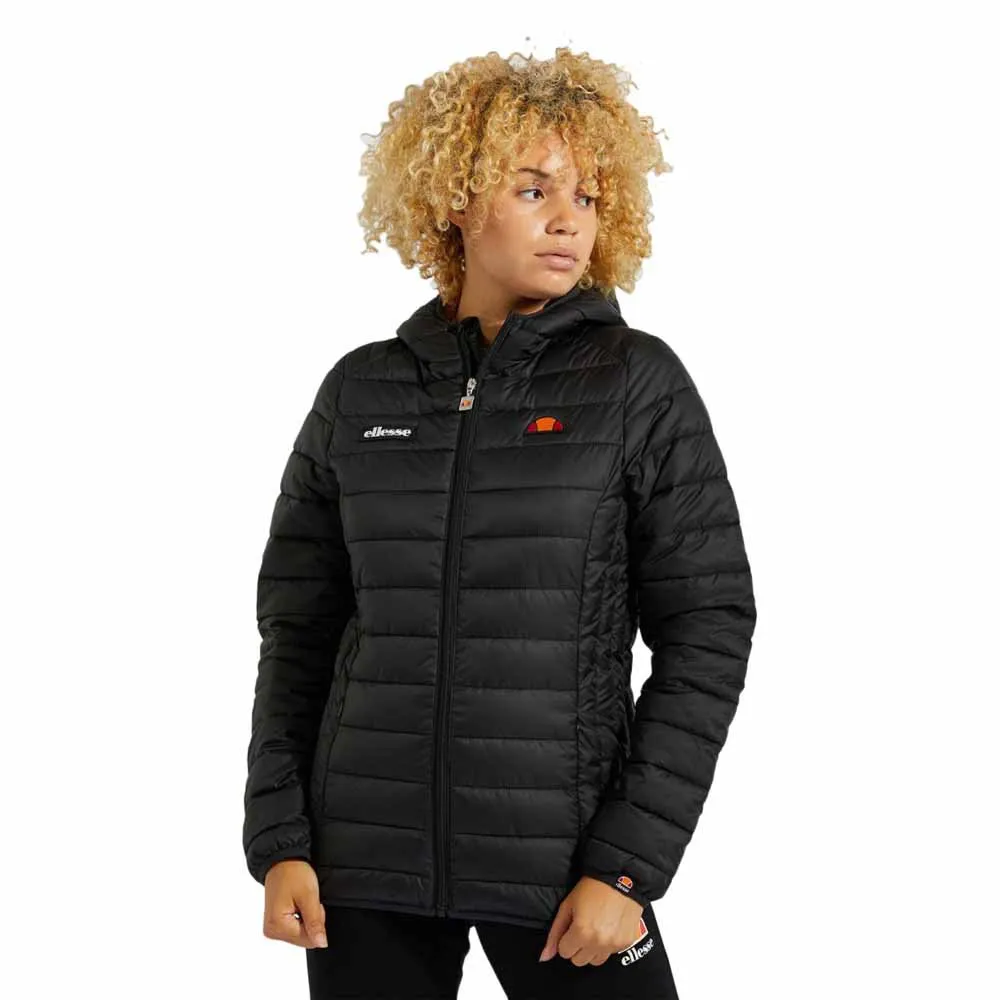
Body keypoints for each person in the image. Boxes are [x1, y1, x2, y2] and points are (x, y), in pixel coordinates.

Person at [243, 47, 756, 999]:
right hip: (363, 866)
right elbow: (298, 631)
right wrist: (280, 838)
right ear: (453, 197)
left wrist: (627, 866)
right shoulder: (361, 390)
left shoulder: (637, 384)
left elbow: (709, 632)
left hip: (563, 872)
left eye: (588, 197)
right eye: (532, 189)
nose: (569, 220)